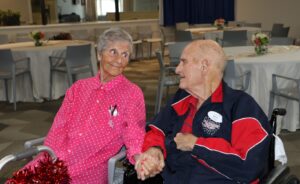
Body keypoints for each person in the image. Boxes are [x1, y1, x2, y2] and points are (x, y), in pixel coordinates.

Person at [135, 40, 271, 183]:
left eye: (184, 62)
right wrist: (154, 150)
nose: (177, 70)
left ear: (204, 66)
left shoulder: (241, 106)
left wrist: (196, 144)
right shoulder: (182, 98)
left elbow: (249, 165)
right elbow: (157, 129)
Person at [22, 27, 146, 183]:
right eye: (113, 52)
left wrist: (139, 157)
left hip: (89, 166)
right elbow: (59, 127)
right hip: (57, 157)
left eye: (125, 54)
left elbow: (134, 132)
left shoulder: (132, 93)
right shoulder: (78, 88)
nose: (119, 60)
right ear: (99, 54)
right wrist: (48, 157)